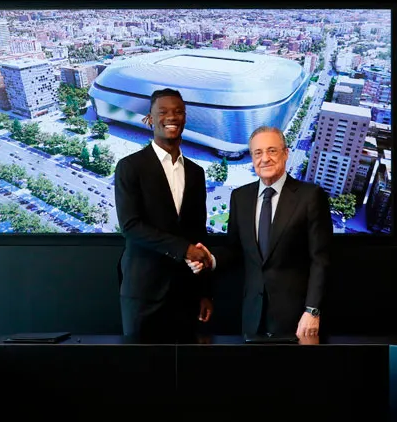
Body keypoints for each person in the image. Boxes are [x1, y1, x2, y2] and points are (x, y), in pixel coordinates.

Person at [188, 126, 333, 337]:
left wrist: (312, 310)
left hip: (298, 319)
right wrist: (210, 258)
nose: (265, 158)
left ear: (286, 153)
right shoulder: (240, 197)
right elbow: (235, 249)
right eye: (258, 152)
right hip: (252, 316)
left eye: (272, 150)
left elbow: (321, 260)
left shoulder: (310, 197)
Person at [114, 88, 214, 342]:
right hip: (143, 293)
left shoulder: (196, 172)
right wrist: (184, 249)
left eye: (178, 112)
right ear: (150, 119)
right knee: (143, 373)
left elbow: (198, 235)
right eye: (164, 112)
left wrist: (204, 293)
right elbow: (131, 226)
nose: (172, 117)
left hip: (186, 295)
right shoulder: (129, 167)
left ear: (185, 118)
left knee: (183, 375)